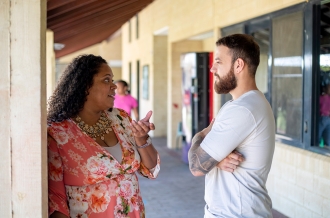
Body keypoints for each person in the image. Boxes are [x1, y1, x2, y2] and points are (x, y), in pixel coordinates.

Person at [47, 54, 160, 218]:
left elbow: (150, 169)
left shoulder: (120, 118)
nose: (114, 86)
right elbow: (56, 201)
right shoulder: (58, 134)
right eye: (107, 80)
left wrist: (141, 139)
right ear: (85, 86)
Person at [188, 34, 275, 218]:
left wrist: (200, 136)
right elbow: (203, 161)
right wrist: (216, 161)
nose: (212, 68)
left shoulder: (243, 109)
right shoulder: (240, 105)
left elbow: (196, 166)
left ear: (238, 65)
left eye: (219, 61)